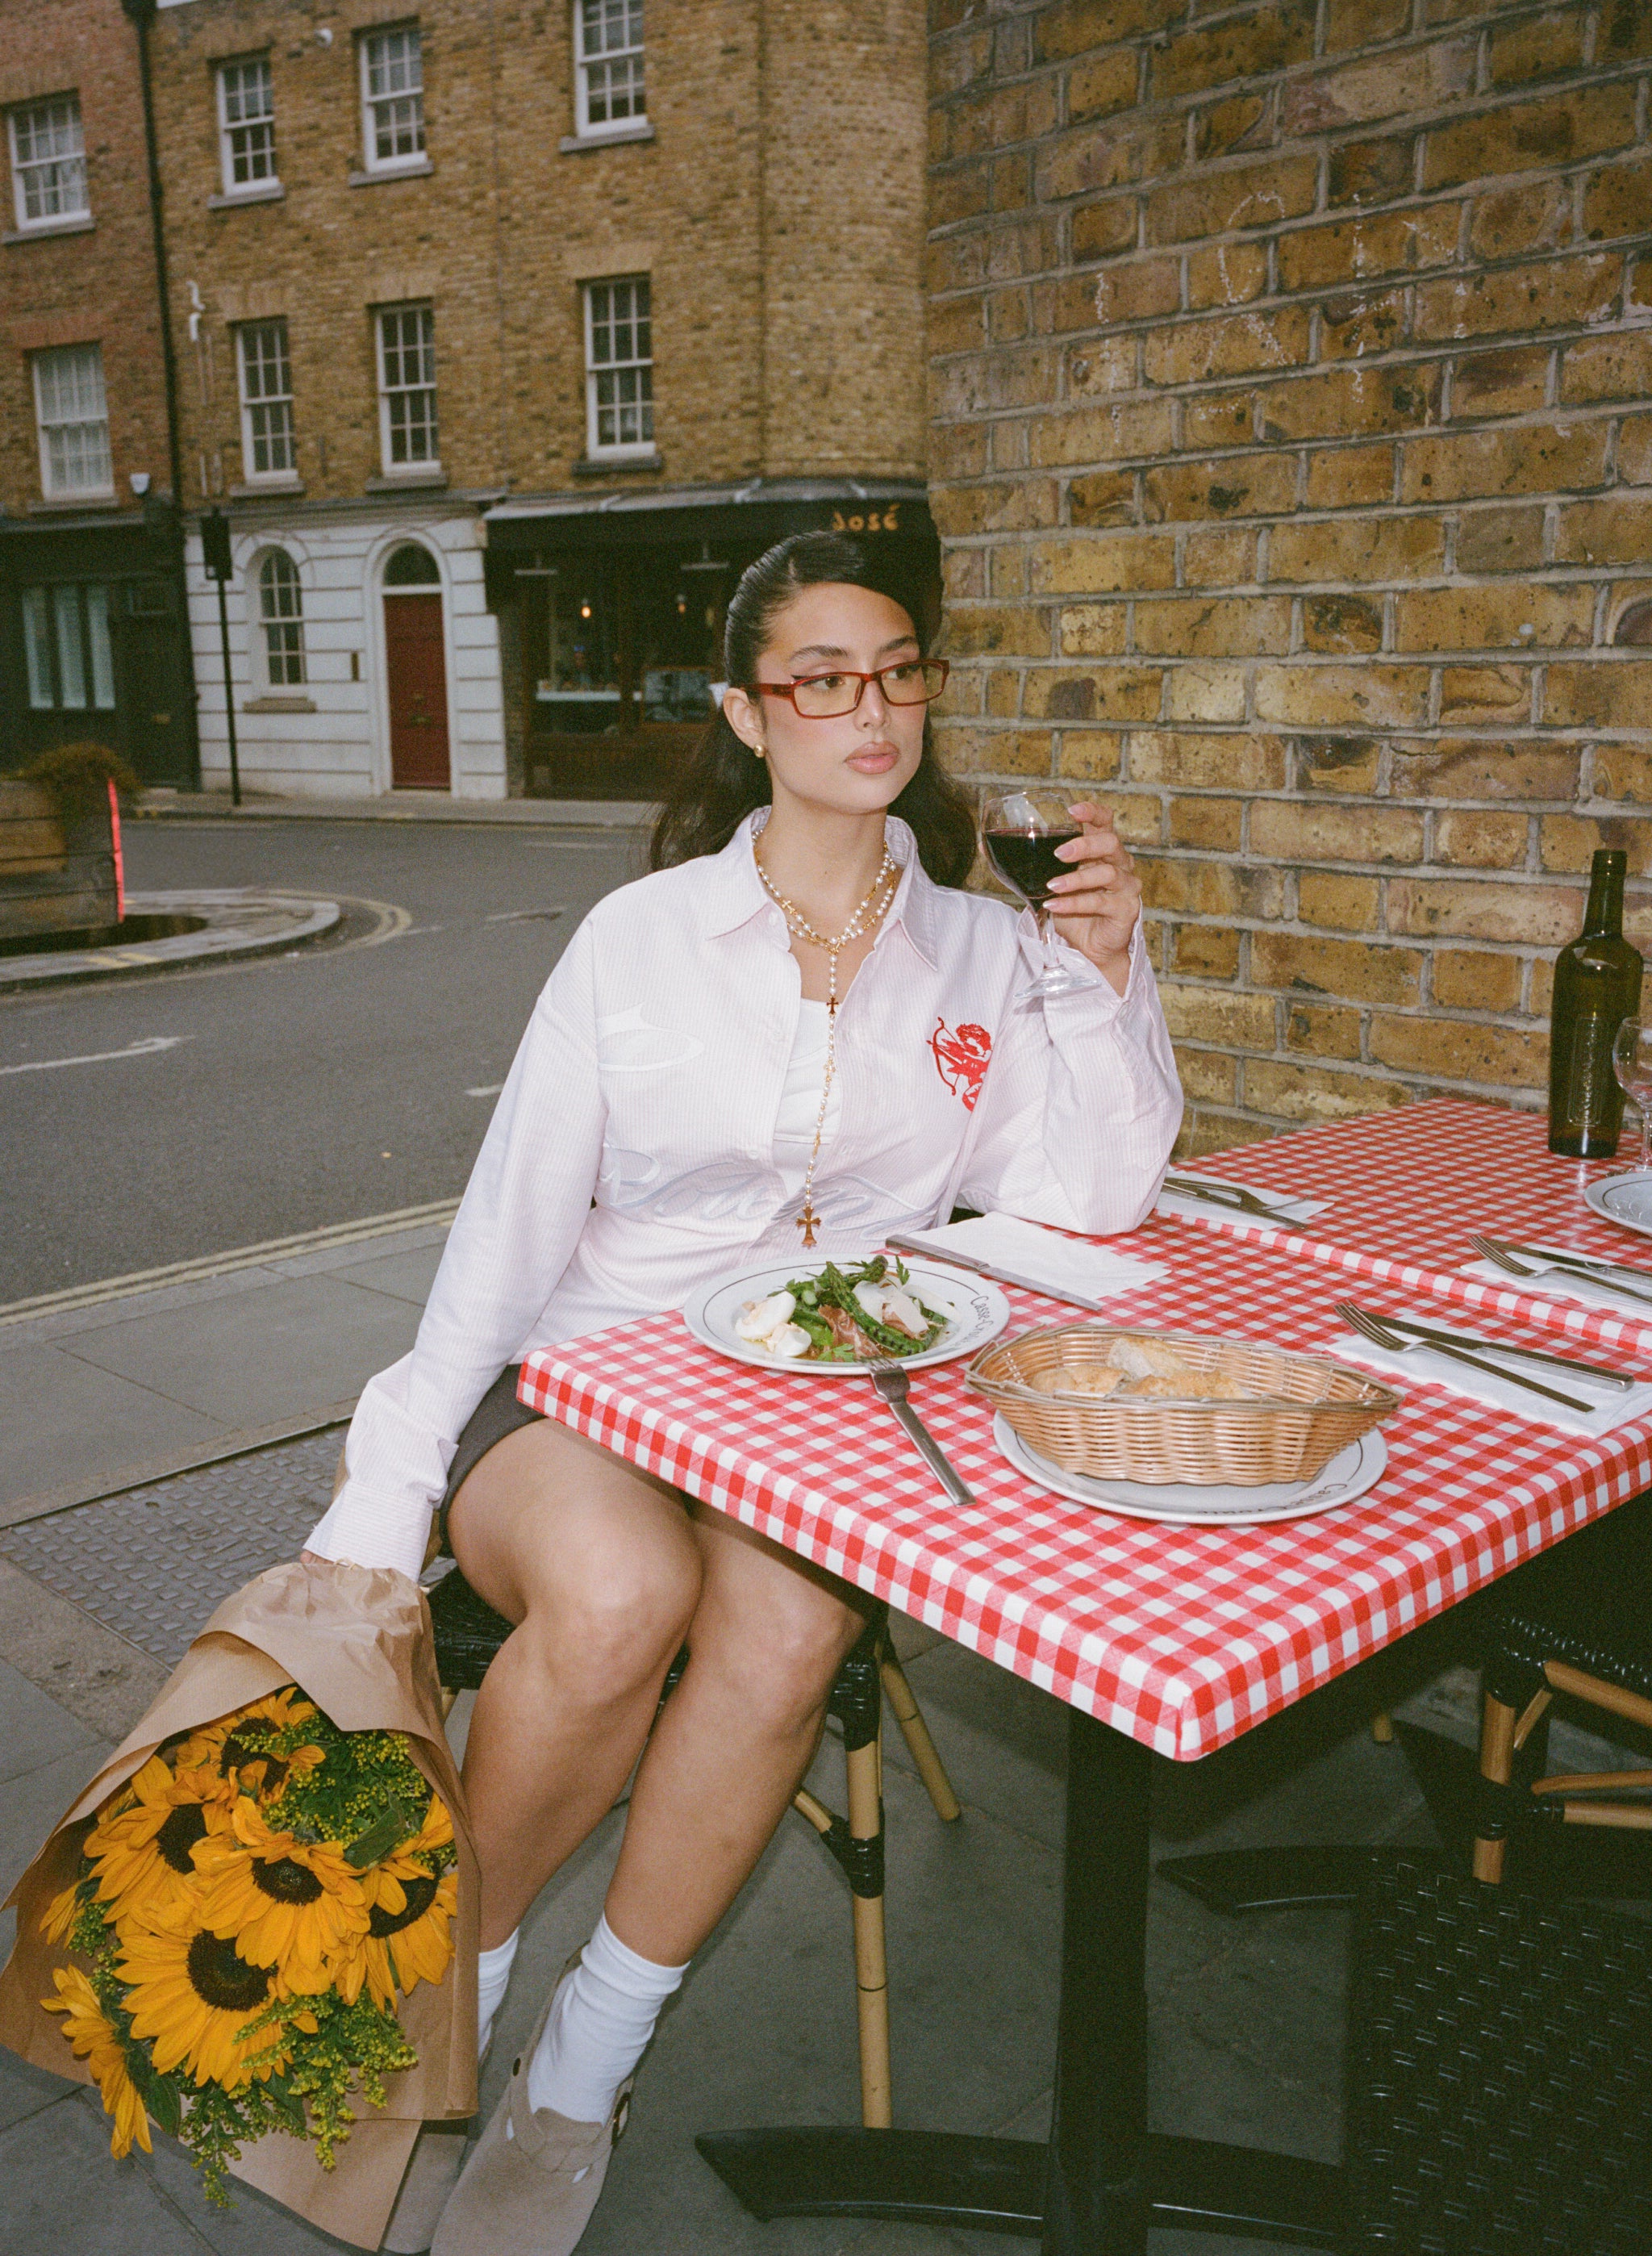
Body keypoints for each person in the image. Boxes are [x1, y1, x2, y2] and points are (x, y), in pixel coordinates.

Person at [302, 530, 1182, 2256]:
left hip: (816, 1412)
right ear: (746, 711)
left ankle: (584, 2069)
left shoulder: (980, 948)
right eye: (824, 679)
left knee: (787, 1633)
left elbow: (1088, 1196)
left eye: (901, 670)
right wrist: (387, 1484)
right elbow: (505, 1231)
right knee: (621, 1596)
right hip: (587, 1382)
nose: (874, 709)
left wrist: (1099, 973)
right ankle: (445, 1989)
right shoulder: (642, 939)